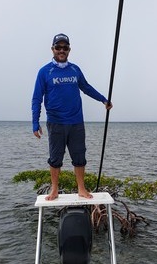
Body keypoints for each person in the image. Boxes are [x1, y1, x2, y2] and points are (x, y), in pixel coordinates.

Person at [32, 33, 112, 201]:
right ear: (52, 49)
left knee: (79, 157)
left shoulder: (75, 69)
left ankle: (81, 188)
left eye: (65, 48)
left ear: (69, 50)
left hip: (76, 122)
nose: (61, 50)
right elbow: (37, 98)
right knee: (55, 159)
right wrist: (35, 122)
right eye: (58, 47)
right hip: (55, 123)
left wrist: (103, 99)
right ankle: (54, 189)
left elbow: (86, 87)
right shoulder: (44, 71)